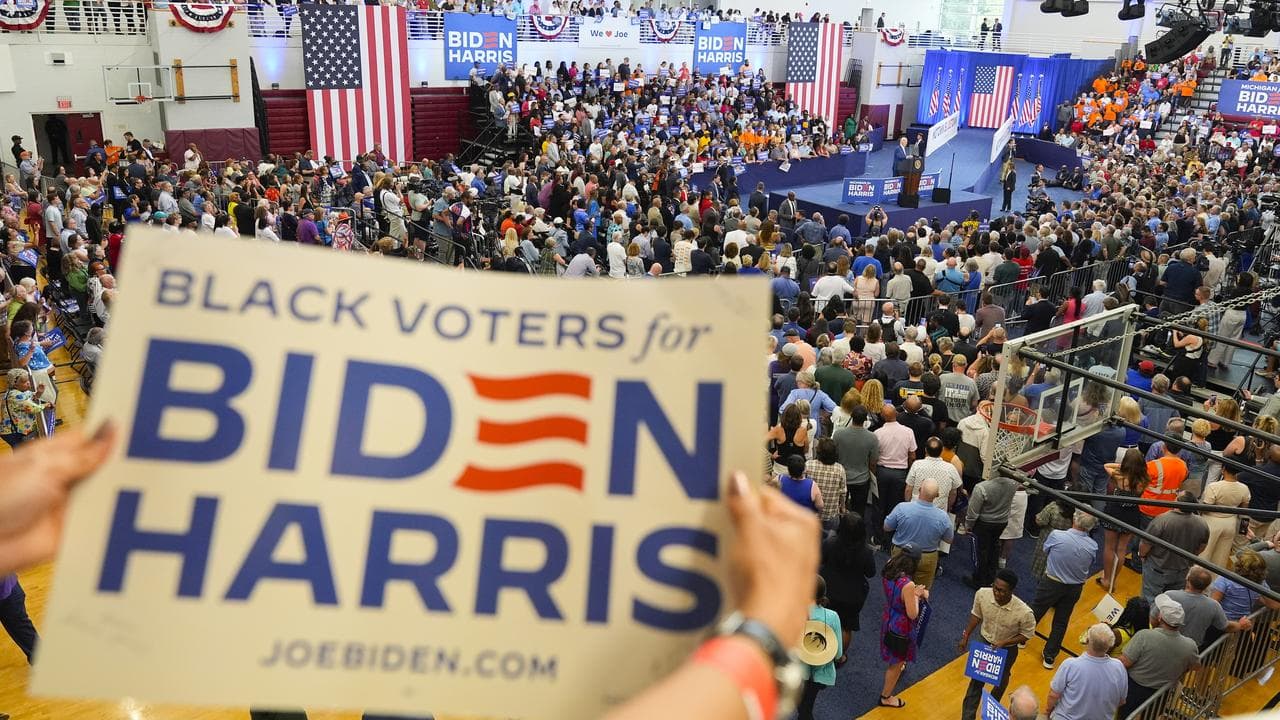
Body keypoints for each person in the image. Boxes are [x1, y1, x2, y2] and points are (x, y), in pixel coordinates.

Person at [959, 569, 1036, 720]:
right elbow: (976, 615)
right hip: (984, 644)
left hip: (1007, 650)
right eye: (995, 587)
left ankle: (992, 711)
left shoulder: (1024, 612)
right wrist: (966, 635)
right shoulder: (982, 594)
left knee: (1000, 683)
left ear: (1011, 591)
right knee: (976, 682)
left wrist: (1006, 642)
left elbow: (1027, 634)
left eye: (1001, 591)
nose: (996, 592)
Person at [1033, 510, 1099, 669]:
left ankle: (1020, 639)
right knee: (1061, 621)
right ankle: (1050, 657)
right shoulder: (1093, 545)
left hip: (1052, 582)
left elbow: (1046, 550)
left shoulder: (1057, 535)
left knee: (1036, 610)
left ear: (1074, 519)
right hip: (1074, 588)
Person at [1120, 593, 1200, 711]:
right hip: (1161, 693)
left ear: (1160, 617)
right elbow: (1195, 667)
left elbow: (1125, 662)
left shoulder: (1144, 635)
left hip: (1134, 689)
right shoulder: (1190, 646)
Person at [1046, 623, 1128, 720]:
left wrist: (1048, 711)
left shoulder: (1071, 665)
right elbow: (1121, 701)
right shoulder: (1119, 667)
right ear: (1110, 644)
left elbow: (1053, 695)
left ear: (1087, 640)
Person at [878, 550, 927, 709]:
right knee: (896, 663)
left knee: (894, 654)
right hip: (901, 625)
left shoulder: (889, 567)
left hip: (889, 616)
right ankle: (886, 697)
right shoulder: (908, 584)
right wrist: (917, 595)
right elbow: (912, 614)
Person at [820, 512, 875, 653]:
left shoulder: (830, 543)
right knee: (846, 627)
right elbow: (871, 573)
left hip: (828, 591)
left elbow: (820, 560)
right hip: (852, 596)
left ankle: (819, 651)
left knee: (822, 622)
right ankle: (840, 655)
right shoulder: (866, 552)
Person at [883, 478, 953, 589]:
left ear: (919, 489)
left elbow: (886, 527)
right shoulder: (943, 517)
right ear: (937, 495)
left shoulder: (902, 508)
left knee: (896, 587)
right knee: (920, 593)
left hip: (901, 553)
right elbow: (949, 539)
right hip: (927, 557)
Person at [1139, 492, 1209, 600]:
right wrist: (1190, 556)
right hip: (1182, 570)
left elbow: (1146, 543)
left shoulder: (1162, 520)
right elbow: (1202, 546)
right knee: (1173, 601)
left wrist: (1142, 556)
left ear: (1177, 502)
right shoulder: (1202, 523)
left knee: (1150, 599)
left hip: (1158, 569)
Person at [1168, 566, 1252, 649]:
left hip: (1167, 643)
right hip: (1191, 649)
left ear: (1187, 579)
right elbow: (1226, 626)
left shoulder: (1170, 596)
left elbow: (1154, 620)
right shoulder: (1213, 606)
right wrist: (1240, 625)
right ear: (1207, 586)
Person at [1099, 448, 1147, 592]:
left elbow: (1106, 466)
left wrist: (1122, 466)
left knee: (1109, 547)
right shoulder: (1143, 480)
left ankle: (1106, 579)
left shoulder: (1119, 476)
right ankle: (1113, 580)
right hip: (1132, 515)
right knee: (1121, 548)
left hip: (1114, 512)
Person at [797, 576, 843, 720]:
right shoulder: (832, 616)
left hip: (798, 670)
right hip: (820, 673)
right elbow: (838, 653)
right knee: (806, 707)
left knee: (802, 708)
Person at [965, 471, 1018, 588]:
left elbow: (973, 511)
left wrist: (968, 524)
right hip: (1001, 522)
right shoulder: (1014, 483)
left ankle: (979, 579)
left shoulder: (982, 487)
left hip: (984, 523)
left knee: (982, 551)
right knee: (994, 548)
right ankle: (991, 577)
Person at [832, 406, 878, 517]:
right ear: (865, 420)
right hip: (862, 479)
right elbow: (873, 462)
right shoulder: (872, 438)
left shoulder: (838, 434)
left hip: (842, 478)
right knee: (859, 511)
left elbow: (833, 455)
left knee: (839, 509)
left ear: (851, 417)